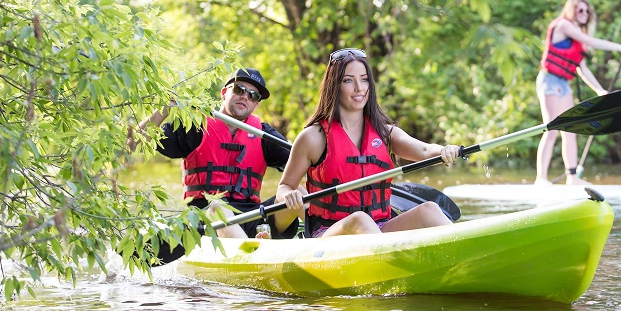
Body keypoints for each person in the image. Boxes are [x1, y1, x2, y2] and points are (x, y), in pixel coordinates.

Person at [275, 48, 459, 238]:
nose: (359, 88)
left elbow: (425, 149)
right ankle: (390, 262)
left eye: (364, 79)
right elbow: (284, 187)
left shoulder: (384, 132)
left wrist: (444, 151)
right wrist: (290, 195)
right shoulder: (313, 137)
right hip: (329, 233)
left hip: (380, 227)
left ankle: (466, 254)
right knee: (360, 219)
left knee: (429, 209)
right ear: (334, 85)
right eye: (348, 80)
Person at [129, 68, 303, 239]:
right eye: (239, 89)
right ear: (224, 93)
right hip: (204, 219)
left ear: (256, 105)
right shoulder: (195, 126)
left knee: (299, 192)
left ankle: (322, 239)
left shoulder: (263, 134)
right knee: (218, 207)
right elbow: (135, 143)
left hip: (253, 216)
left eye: (253, 95)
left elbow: (305, 161)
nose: (245, 96)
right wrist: (164, 108)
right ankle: (251, 252)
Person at [535, 0, 621, 186]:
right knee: (551, 130)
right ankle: (541, 179)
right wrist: (620, 47)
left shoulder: (577, 40)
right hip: (549, 80)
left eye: (587, 11)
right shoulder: (563, 26)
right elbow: (592, 41)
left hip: (564, 84)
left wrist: (599, 90)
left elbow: (582, 68)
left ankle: (572, 178)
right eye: (580, 10)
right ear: (571, 10)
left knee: (570, 130)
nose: (584, 14)